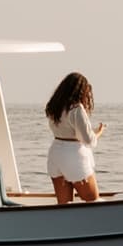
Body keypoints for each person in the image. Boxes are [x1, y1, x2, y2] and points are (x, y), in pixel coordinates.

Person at [45, 72, 106, 204]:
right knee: (93, 201)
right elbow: (89, 140)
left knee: (64, 206)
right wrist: (99, 132)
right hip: (74, 157)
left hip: (55, 154)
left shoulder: (54, 107)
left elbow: (68, 132)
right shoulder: (76, 108)